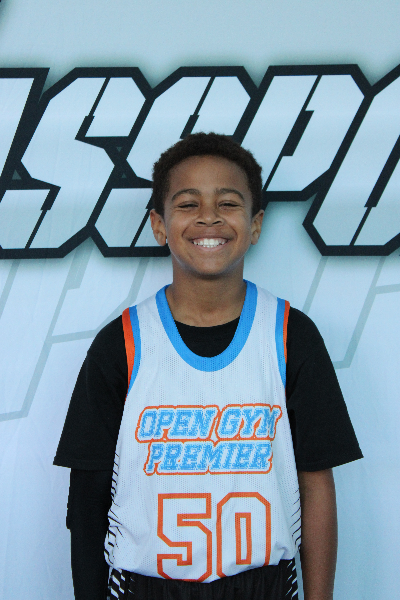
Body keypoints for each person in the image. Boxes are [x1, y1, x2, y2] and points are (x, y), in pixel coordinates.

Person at [54, 132, 362, 600]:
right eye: (188, 204)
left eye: (228, 203)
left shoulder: (290, 336)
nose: (209, 217)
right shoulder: (122, 344)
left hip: (263, 586)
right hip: (144, 588)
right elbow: (87, 498)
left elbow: (316, 484)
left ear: (256, 225)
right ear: (159, 225)